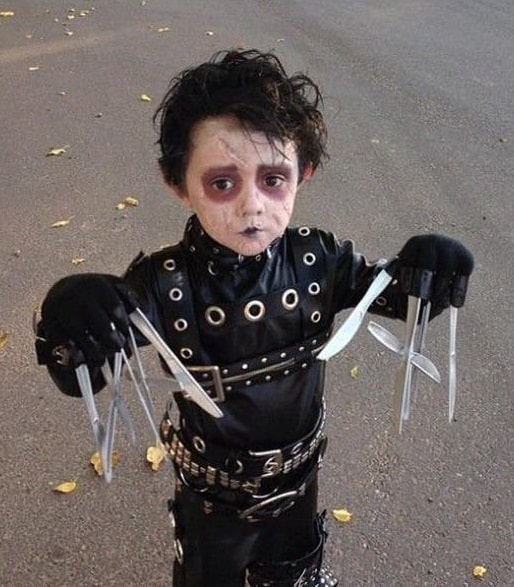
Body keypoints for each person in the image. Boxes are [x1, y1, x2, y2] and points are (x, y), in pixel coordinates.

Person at [35, 49, 473, 587]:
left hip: (300, 486)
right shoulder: (166, 284)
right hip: (212, 505)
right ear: (179, 184)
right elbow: (79, 371)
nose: (252, 207)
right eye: (222, 183)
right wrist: (69, 314)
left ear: (303, 174)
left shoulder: (319, 261)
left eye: (273, 179)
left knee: (297, 572)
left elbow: (400, 296)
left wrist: (428, 270)